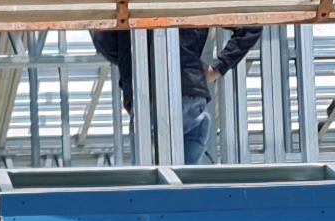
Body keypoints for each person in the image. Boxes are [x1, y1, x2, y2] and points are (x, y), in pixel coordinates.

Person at [87, 21, 263, 164]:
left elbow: (103, 37)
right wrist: (217, 69)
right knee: (184, 183)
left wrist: (130, 61)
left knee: (150, 183)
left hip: (146, 91)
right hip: (190, 90)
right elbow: (251, 25)